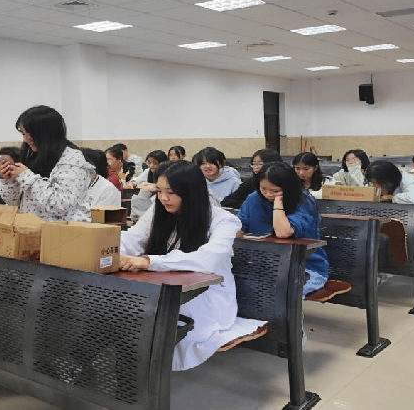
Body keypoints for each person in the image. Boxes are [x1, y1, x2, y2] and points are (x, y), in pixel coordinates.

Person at [118, 161, 266, 370]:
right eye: (159, 191)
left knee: (145, 318)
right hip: (165, 285)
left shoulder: (224, 221)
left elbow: (207, 260)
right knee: (121, 312)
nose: (163, 198)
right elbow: (133, 238)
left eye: (171, 192)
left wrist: (150, 261)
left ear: (191, 193)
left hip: (207, 296)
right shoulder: (159, 210)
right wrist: (107, 250)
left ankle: (142, 375)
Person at [237, 162, 329, 298]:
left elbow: (283, 233)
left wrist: (278, 203)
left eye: (275, 191)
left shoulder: (304, 202)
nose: (268, 194)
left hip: (302, 266)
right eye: (263, 189)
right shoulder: (254, 199)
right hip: (260, 263)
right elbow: (237, 226)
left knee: (272, 292)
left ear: (289, 188)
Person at [0, 105, 93, 222]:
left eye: (29, 134)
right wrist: (8, 180)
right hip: (31, 227)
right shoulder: (32, 155)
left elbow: (60, 206)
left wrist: (26, 176)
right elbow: (13, 202)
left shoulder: (72, 160)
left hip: (63, 231)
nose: (26, 139)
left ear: (45, 133)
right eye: (23, 134)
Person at [365, 160, 414, 275]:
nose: (375, 186)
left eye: (376, 183)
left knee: (394, 239)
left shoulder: (409, 180)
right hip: (392, 221)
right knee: (375, 237)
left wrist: (392, 197)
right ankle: (380, 270)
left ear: (386, 179)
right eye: (373, 183)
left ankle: (393, 267)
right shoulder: (383, 182)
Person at [130, 150, 168, 219]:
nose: (151, 166)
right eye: (149, 163)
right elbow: (137, 180)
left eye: (155, 163)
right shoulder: (148, 171)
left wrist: (154, 186)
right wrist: (133, 183)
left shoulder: (168, 173)